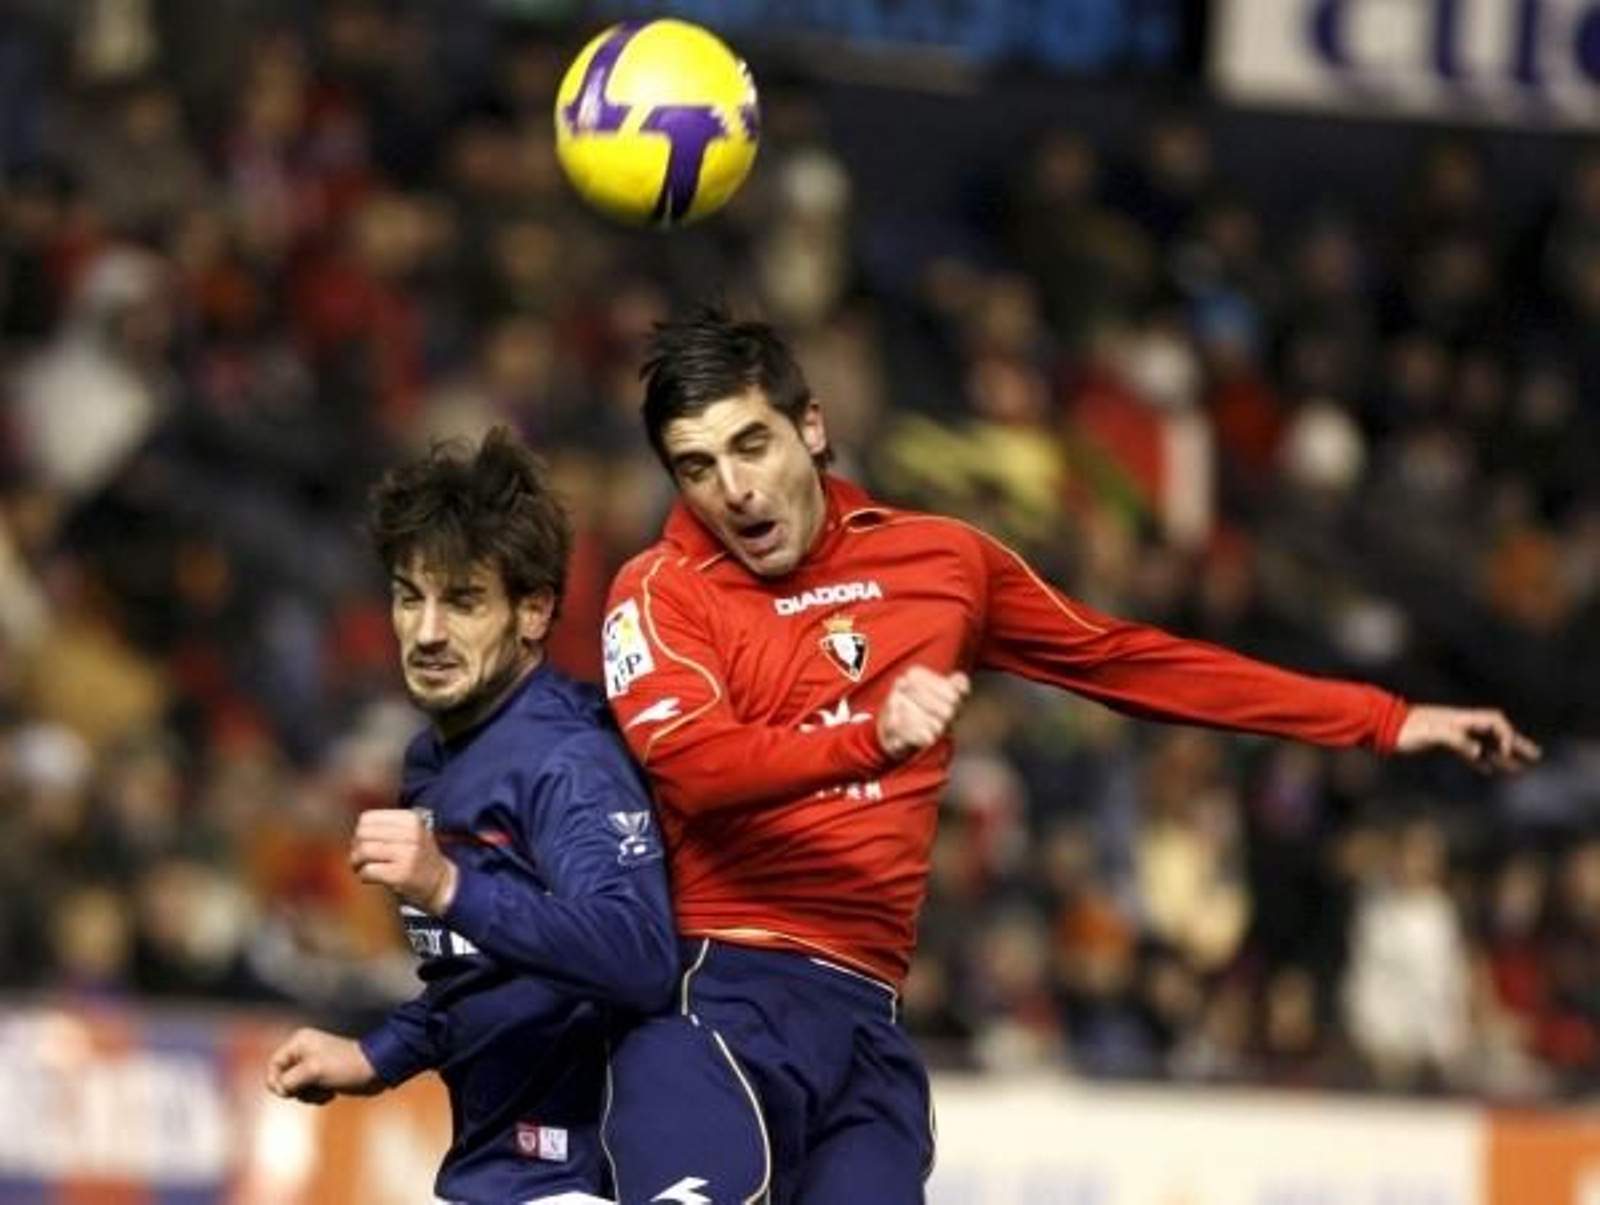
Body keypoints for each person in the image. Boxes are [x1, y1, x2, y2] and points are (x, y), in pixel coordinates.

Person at [598, 308, 1541, 1204]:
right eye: (696, 466)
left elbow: (1133, 662)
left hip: (866, 1018)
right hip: (714, 993)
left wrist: (1380, 718)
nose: (733, 488)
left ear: (810, 426)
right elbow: (697, 766)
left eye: (749, 444)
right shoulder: (659, 591)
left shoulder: (945, 565)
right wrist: (868, 736)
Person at [265, 428, 676, 1205]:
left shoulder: (568, 758)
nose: (425, 632)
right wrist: (375, 1055)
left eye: (461, 600)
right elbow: (484, 971)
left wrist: (449, 885)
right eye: (408, 595)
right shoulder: (433, 761)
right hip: (495, 1175)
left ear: (532, 610)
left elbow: (639, 954)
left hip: (583, 1177)